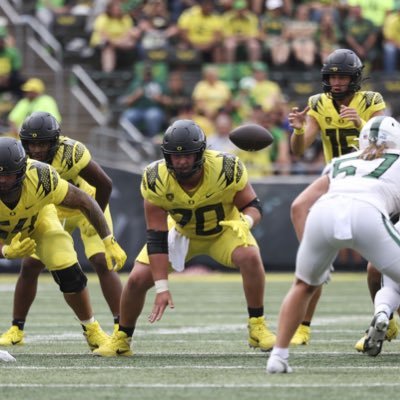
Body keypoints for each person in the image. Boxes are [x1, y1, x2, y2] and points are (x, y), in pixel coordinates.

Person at [92, 119, 276, 357]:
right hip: (181, 233)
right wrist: (161, 287)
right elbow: (156, 237)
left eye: (187, 155)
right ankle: (122, 338)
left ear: (200, 153)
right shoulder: (155, 177)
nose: (180, 161)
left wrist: (246, 221)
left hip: (223, 231)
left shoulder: (226, 167)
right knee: (137, 279)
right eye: (175, 156)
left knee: (250, 256)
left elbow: (253, 205)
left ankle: (257, 326)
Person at [267, 116, 400, 373]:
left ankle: (278, 357)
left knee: (303, 286)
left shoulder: (340, 161)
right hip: (368, 213)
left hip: (324, 213)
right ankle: (384, 310)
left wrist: (314, 255)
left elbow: (298, 206)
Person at [288, 48, 386, 346]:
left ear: (355, 78)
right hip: (337, 177)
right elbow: (299, 150)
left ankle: (385, 317)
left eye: (343, 76)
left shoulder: (371, 101)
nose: (337, 82)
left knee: (376, 267)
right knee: (298, 208)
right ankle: (304, 323)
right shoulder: (317, 103)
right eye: (332, 76)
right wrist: (297, 131)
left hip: (371, 180)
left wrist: (361, 124)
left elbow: (386, 146)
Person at [0, 111, 123, 346]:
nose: (36, 150)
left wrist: (104, 235)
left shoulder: (45, 172)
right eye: (31, 144)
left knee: (98, 261)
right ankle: (17, 327)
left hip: (82, 205)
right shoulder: (22, 163)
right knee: (31, 265)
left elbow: (96, 192)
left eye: (42, 143)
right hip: (46, 210)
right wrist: (5, 251)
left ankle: (117, 328)